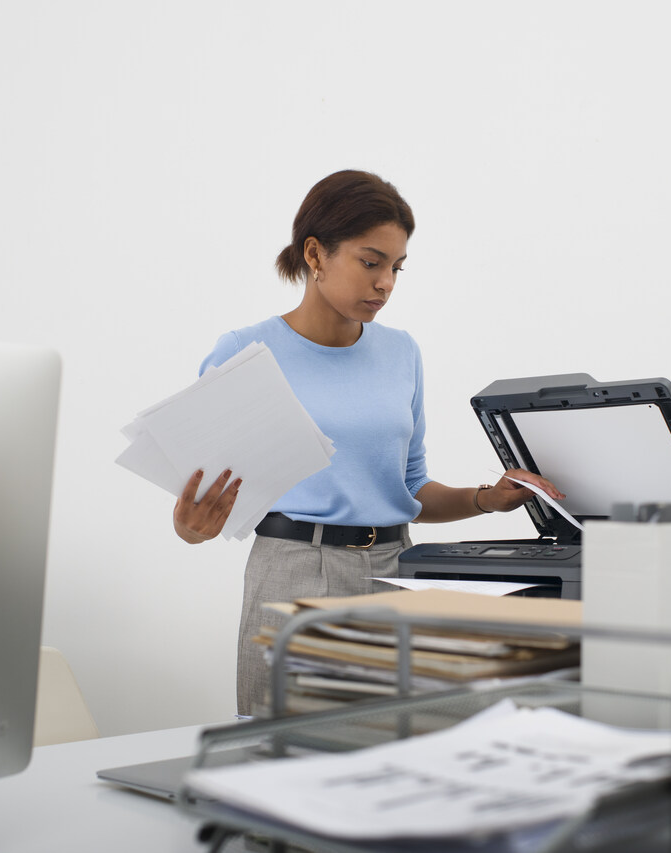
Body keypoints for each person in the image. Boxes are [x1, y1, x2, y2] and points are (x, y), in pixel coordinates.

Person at [172, 169, 563, 715]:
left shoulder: (402, 353)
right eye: (370, 261)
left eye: (397, 268)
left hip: (397, 568)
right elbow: (199, 503)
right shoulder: (246, 351)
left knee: (396, 748)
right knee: (279, 752)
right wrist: (191, 527)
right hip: (294, 570)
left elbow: (410, 488)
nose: (386, 283)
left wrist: (486, 499)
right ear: (315, 255)